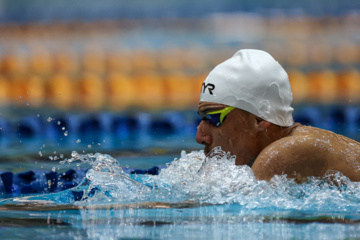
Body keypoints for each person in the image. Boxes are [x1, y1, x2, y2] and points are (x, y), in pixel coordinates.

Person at [196, 49, 360, 183]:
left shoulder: (283, 154)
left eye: (214, 118)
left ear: (260, 119)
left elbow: (231, 212)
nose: (200, 136)